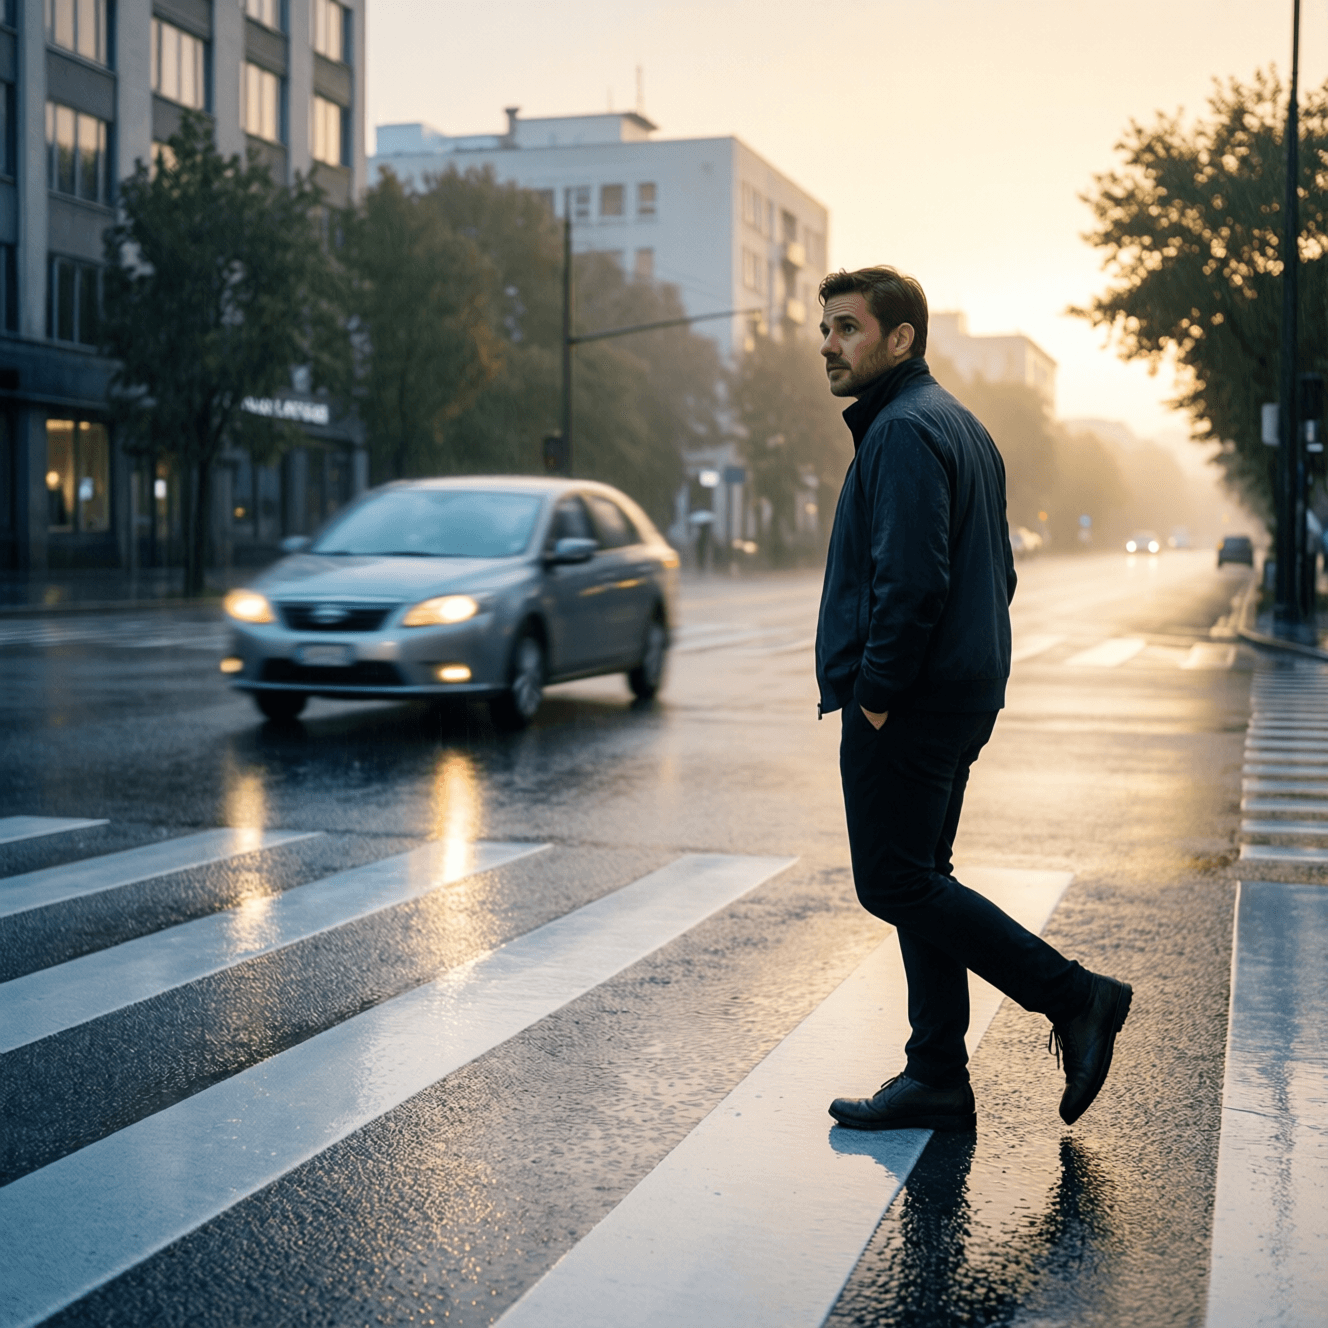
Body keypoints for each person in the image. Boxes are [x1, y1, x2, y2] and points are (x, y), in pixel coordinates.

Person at [814, 266, 1131, 1131]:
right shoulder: (959, 426)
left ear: (900, 338)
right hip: (958, 692)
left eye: (847, 328)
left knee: (893, 881)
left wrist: (877, 691)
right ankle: (938, 1075)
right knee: (921, 875)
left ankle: (1077, 998)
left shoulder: (904, 432)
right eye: (827, 329)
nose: (828, 345)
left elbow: (911, 582)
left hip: (910, 700)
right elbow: (1003, 572)